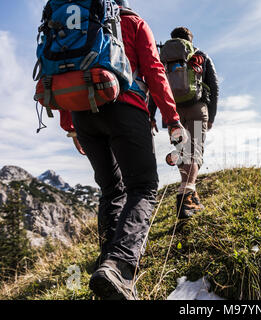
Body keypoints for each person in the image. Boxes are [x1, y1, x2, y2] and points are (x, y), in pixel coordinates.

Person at [59, 0, 186, 300]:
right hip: (125, 107)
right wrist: (172, 119)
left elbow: (64, 72)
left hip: (82, 114)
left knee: (111, 190)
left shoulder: (75, 24)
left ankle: (107, 267)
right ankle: (120, 267)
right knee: (143, 187)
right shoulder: (133, 22)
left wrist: (71, 126)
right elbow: (155, 70)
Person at [151, 27, 219, 219]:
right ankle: (186, 198)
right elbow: (213, 87)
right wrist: (211, 115)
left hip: (172, 113)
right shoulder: (200, 55)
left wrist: (151, 114)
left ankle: (190, 193)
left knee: (182, 152)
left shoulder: (162, 58)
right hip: (197, 109)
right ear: (190, 39)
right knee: (195, 152)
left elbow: (155, 85)